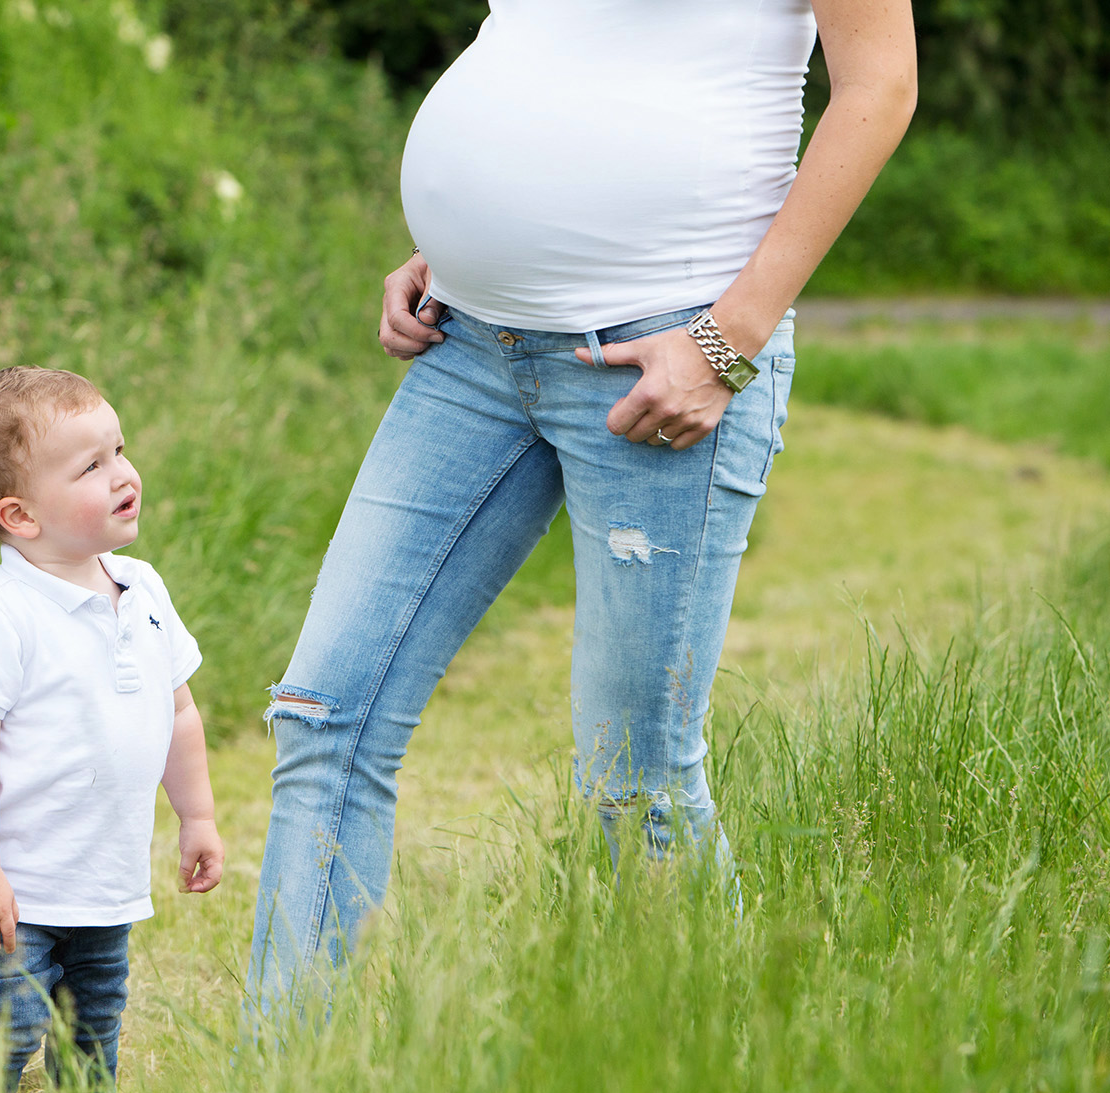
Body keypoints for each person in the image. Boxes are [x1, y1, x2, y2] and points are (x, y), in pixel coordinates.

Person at [249, 0, 917, 1017]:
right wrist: (462, 247)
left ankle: (701, 1088)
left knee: (634, 782)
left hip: (663, 350)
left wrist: (728, 337)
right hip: (468, 345)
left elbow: (877, 90)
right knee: (324, 712)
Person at [0, 365, 225, 1093]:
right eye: (91, 466)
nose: (123, 473)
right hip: (13, 884)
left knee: (94, 1025)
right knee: (17, 1020)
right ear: (20, 515)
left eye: (118, 450)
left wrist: (197, 817)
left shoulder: (145, 591)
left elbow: (178, 709)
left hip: (101, 872)